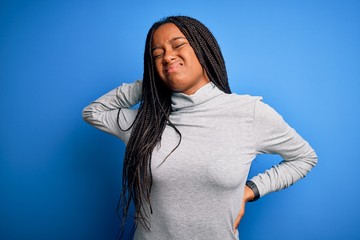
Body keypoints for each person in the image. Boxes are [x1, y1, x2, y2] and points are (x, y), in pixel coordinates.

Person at [82, 16, 318, 240]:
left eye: (177, 46)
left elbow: (304, 157)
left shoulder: (249, 113)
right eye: (157, 54)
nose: (167, 57)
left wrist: (250, 190)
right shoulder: (144, 124)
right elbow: (93, 112)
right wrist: (152, 84)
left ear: (203, 49)